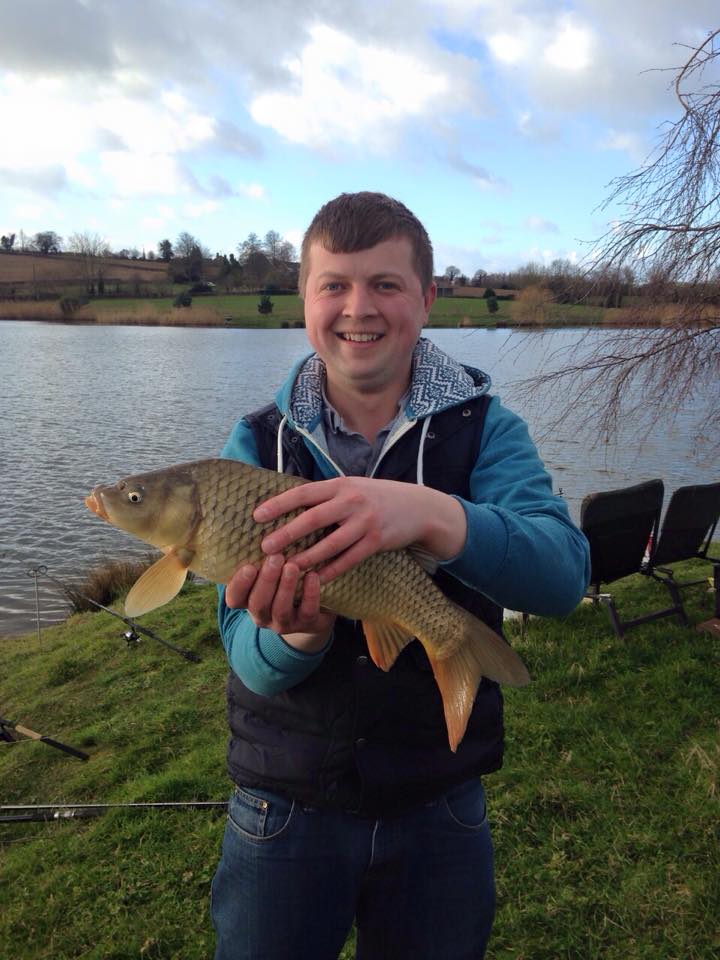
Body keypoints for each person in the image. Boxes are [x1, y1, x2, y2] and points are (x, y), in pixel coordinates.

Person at [211, 191, 590, 959]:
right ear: (304, 298)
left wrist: (435, 515)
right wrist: (296, 634)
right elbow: (245, 655)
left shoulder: (486, 429)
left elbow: (562, 577)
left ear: (427, 297)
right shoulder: (257, 444)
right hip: (283, 807)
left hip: (438, 805)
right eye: (334, 285)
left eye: (385, 284)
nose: (359, 308)